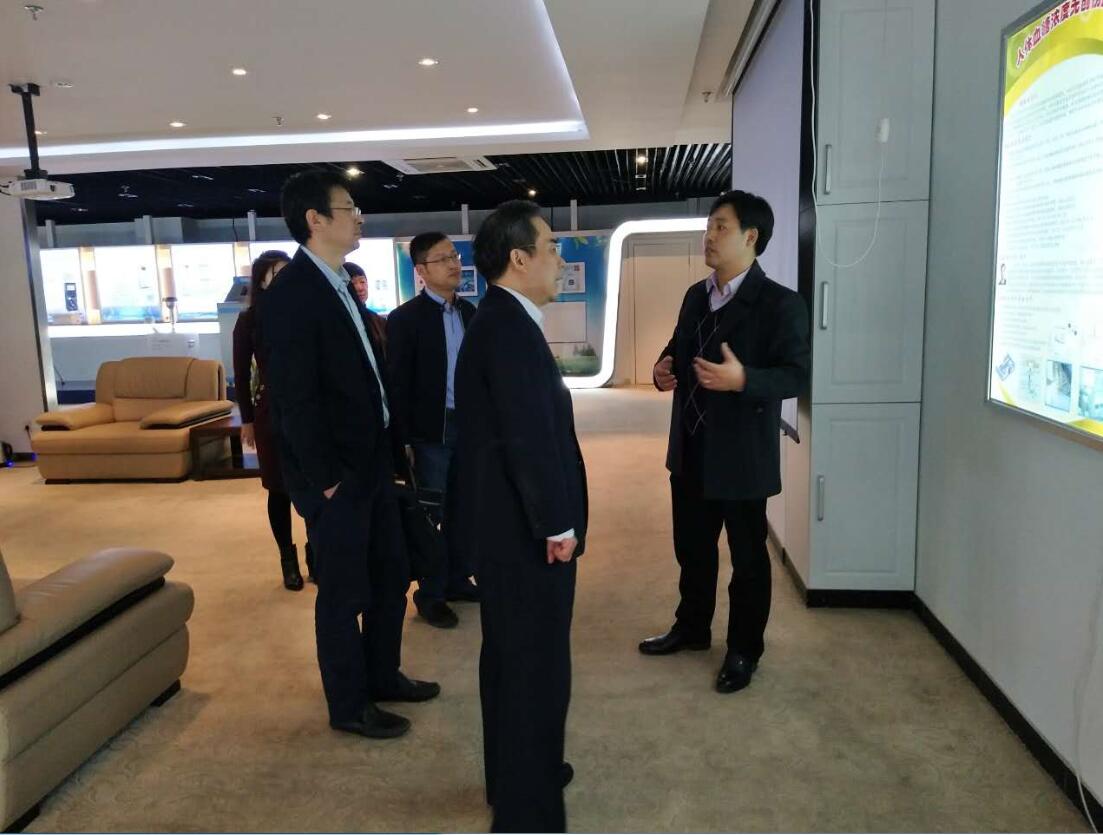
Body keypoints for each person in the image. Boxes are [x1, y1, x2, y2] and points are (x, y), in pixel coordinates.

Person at [260, 170, 439, 739]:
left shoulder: (340, 283)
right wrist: (326, 478)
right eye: (349, 208)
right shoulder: (291, 295)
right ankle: (348, 704)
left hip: (374, 462)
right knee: (342, 592)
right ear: (315, 220)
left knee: (390, 575)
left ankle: (382, 675)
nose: (359, 216)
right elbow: (294, 399)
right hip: (336, 474)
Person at [639, 190, 810, 694]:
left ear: (750, 236)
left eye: (720, 227)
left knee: (747, 560)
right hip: (690, 449)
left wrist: (744, 380)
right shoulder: (696, 295)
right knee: (692, 550)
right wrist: (662, 367)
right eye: (709, 226)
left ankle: (743, 650)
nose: (709, 236)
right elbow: (678, 346)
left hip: (740, 458)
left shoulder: (780, 303)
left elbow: (796, 375)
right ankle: (692, 628)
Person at [455, 200, 588, 833]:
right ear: (519, 258)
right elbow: (526, 439)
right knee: (534, 669)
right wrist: (556, 525)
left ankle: (515, 778)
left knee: (512, 661)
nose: (560, 259)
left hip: (508, 529)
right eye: (552, 246)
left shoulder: (503, 320)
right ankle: (527, 810)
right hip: (523, 536)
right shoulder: (507, 328)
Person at [386, 232, 478, 630]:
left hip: (470, 427)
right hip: (430, 432)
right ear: (421, 270)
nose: (455, 264)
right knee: (430, 514)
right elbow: (397, 384)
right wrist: (403, 440)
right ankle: (431, 593)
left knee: (465, 508)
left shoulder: (470, 312)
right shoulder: (405, 319)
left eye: (455, 256)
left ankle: (458, 578)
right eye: (443, 259)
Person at [232, 249, 315, 590]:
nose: (284, 278)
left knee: (313, 485)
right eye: (277, 272)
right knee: (279, 489)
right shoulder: (249, 320)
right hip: (269, 413)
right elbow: (240, 375)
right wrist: (247, 420)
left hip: (307, 410)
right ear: (262, 279)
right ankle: (288, 560)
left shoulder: (304, 312)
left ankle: (316, 555)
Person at [343, 261, 388, 349]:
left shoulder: (378, 320)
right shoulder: (342, 319)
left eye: (362, 281)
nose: (360, 288)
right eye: (353, 283)